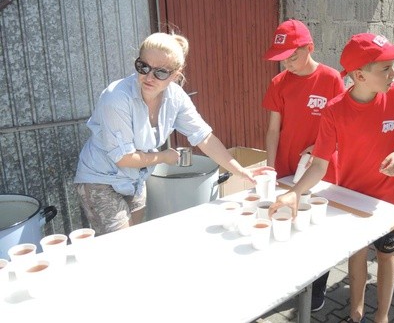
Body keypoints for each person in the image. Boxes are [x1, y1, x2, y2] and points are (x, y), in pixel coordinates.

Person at [269, 33, 394, 322]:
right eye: (385, 69)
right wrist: (294, 191)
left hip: (390, 199)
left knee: (386, 255)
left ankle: (381, 315)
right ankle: (355, 313)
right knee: (357, 255)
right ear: (359, 75)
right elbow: (319, 164)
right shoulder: (334, 110)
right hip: (352, 197)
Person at [74, 31, 272, 236]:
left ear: (176, 75)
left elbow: (204, 137)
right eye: (143, 67)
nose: (149, 77)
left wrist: (240, 171)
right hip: (101, 179)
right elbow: (122, 158)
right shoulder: (116, 98)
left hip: (136, 178)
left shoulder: (175, 97)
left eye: (160, 72)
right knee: (119, 244)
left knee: (136, 237)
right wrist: (163, 157)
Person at [262, 19, 345, 311]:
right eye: (282, 58)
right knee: (288, 224)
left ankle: (318, 288)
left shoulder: (332, 78)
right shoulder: (278, 83)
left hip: (321, 169)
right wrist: (270, 168)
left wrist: (322, 147)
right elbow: (274, 129)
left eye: (292, 56)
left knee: (318, 228)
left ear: (309, 47)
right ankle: (291, 284)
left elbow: (341, 125)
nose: (287, 64)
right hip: (286, 168)